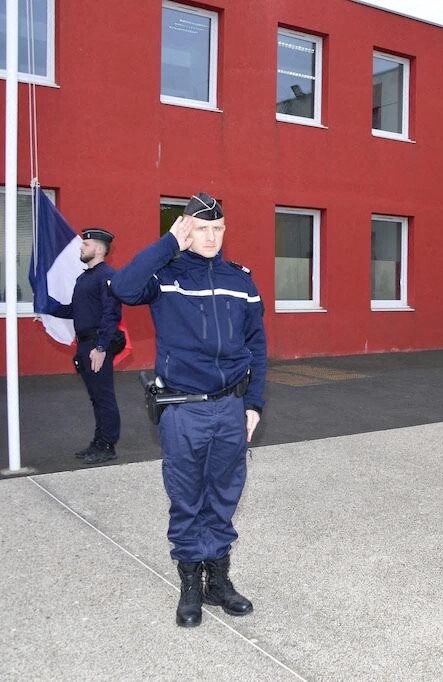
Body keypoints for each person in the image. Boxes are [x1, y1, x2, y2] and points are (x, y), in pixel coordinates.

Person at [110, 193, 267, 627]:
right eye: (202, 228)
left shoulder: (242, 281)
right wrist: (167, 245)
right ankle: (189, 586)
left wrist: (254, 403)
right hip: (183, 411)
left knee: (224, 496)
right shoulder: (167, 276)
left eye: (218, 228)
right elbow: (121, 287)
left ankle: (218, 583)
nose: (212, 236)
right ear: (185, 229)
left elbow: (257, 345)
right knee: (186, 499)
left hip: (231, 408)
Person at [51, 228, 123, 465]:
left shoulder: (107, 276)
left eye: (86, 244)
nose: (81, 247)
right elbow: (74, 310)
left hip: (96, 344)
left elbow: (111, 314)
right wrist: (47, 308)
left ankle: (107, 445)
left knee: (104, 397)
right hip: (84, 344)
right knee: (95, 398)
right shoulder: (84, 278)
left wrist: (101, 347)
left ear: (99, 249)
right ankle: (99, 440)